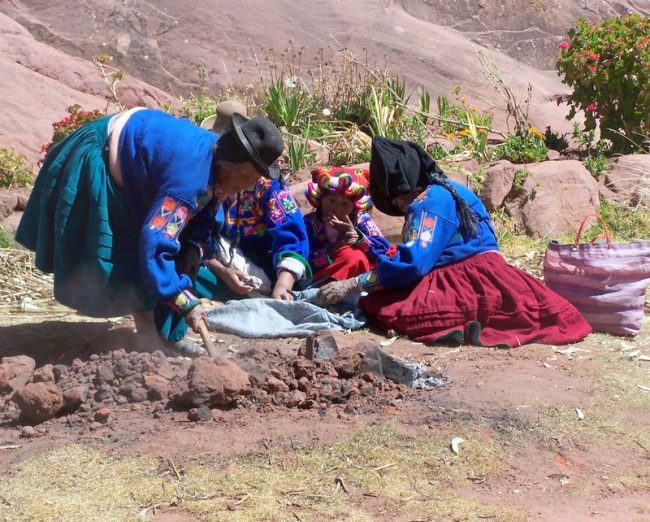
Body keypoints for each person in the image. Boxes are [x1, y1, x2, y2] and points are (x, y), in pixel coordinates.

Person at [16, 107, 284, 352]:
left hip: (137, 159)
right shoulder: (189, 180)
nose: (247, 186)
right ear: (229, 162)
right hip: (101, 152)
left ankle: (169, 335)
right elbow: (155, 246)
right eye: (246, 177)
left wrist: (192, 260)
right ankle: (147, 336)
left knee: (186, 252)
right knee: (132, 248)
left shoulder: (216, 163)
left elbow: (195, 233)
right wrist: (184, 301)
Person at [317, 136, 592, 347]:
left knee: (385, 307)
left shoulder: (425, 203)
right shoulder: (452, 190)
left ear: (403, 189)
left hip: (463, 281)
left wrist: (354, 283)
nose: (399, 206)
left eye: (396, 199)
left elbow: (413, 264)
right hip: (497, 277)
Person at [303, 166, 391, 285]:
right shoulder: (309, 222)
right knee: (350, 256)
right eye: (331, 200)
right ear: (321, 199)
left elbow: (384, 252)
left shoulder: (361, 219)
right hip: (320, 278)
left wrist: (358, 238)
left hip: (358, 281)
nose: (337, 208)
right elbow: (303, 258)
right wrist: (335, 247)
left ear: (354, 207)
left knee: (354, 257)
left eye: (345, 204)